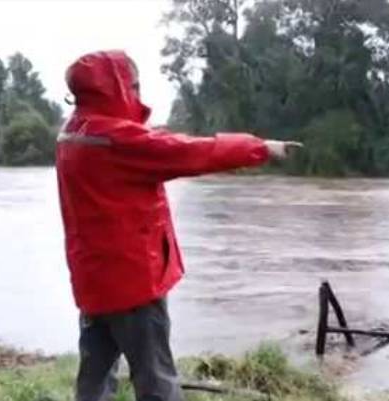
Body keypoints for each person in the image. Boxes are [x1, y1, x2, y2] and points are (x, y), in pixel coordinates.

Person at [56, 50, 300, 401]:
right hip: (134, 284)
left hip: (92, 281)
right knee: (157, 381)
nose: (138, 95)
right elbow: (191, 152)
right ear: (116, 89)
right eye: (134, 86)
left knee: (94, 378)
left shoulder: (72, 133)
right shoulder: (119, 141)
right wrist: (261, 148)